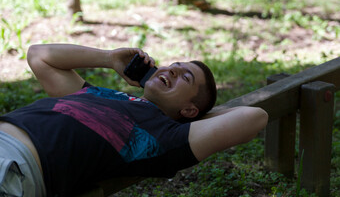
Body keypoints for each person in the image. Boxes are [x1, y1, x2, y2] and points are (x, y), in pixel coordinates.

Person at [0, 44, 268, 197]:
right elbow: (40, 55)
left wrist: (193, 124)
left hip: (14, 165)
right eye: (175, 64)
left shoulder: (163, 137)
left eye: (186, 77)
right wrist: (108, 59)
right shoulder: (101, 95)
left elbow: (255, 116)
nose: (172, 68)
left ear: (189, 110)